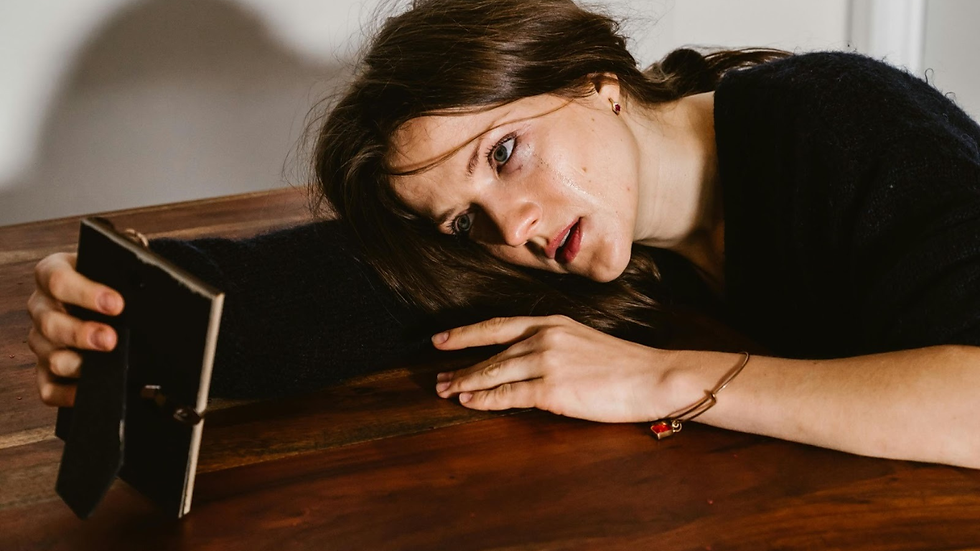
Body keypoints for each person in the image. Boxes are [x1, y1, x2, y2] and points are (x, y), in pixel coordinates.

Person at [26, 0, 980, 468]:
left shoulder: (839, 120)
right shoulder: (566, 236)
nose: (509, 227)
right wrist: (132, 305)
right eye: (463, 217)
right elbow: (350, 288)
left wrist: (659, 378)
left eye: (507, 149)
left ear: (597, 78)